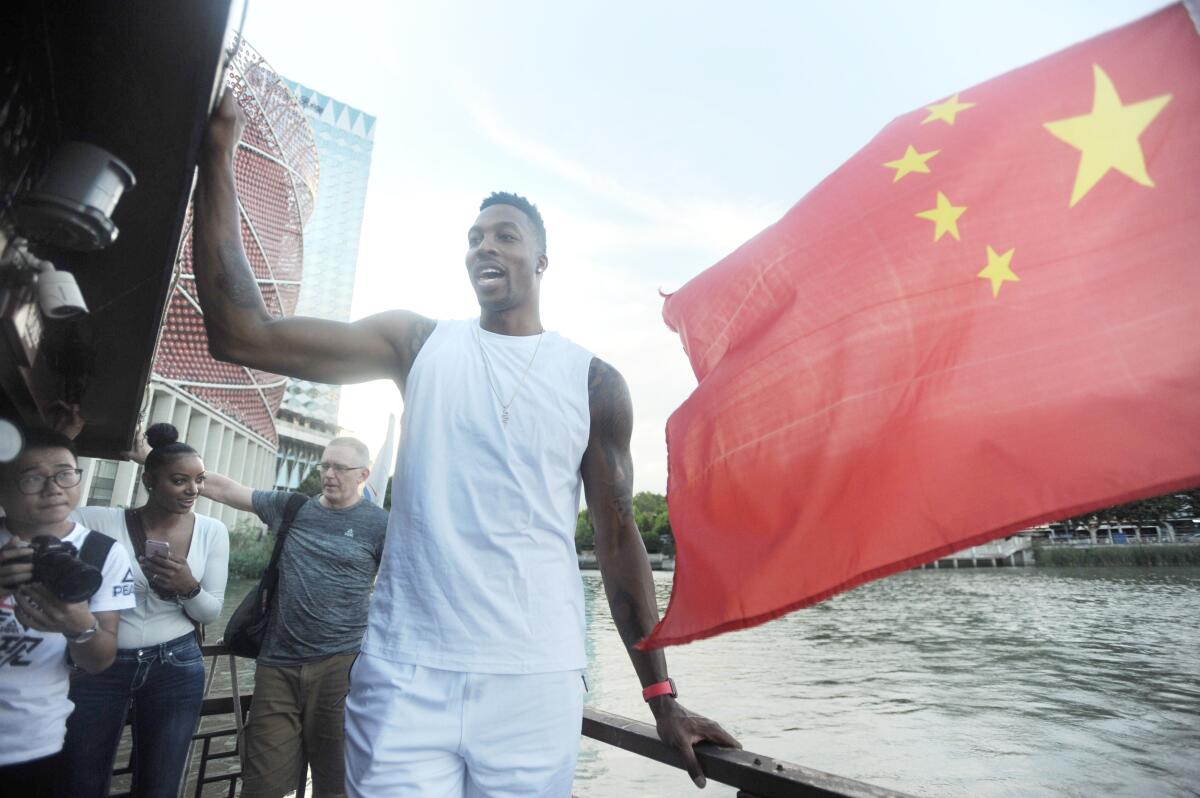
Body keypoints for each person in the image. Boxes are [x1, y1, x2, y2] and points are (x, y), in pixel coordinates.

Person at [194, 92, 739, 797]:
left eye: (506, 235)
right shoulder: (416, 344)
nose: (485, 244)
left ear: (542, 259)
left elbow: (617, 543)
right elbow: (242, 332)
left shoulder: (595, 382)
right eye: (476, 236)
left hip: (535, 678)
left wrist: (661, 697)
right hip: (404, 672)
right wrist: (216, 154)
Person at [198, 436, 388, 798]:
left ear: (363, 474)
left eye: (339, 468)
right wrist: (155, 458)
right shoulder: (292, 507)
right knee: (262, 784)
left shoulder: (380, 525)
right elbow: (227, 491)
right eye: (325, 465)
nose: (329, 475)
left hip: (341, 667)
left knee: (335, 782)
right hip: (277, 664)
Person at [59, 422, 230, 798]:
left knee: (160, 784)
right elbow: (46, 518)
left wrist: (189, 587)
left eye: (198, 480)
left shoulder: (212, 531)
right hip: (101, 666)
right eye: (180, 480)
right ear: (149, 480)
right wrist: (63, 438)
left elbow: (210, 613)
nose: (193, 490)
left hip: (177, 666)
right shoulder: (97, 521)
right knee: (82, 780)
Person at [0, 429, 135, 798]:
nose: (53, 488)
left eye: (64, 473)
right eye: (32, 478)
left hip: (35, 740)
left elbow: (99, 660)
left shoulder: (101, 553)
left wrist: (79, 627)